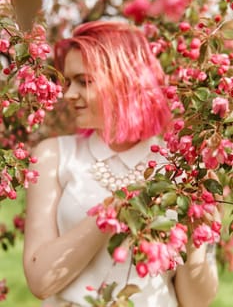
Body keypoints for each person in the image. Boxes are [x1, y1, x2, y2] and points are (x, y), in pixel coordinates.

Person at [23, 20, 219, 307]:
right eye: (67, 82)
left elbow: (195, 301)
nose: (68, 94)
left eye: (84, 81)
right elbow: (40, 281)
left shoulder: (179, 165)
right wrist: (111, 212)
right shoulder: (55, 155)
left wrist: (195, 238)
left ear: (124, 80)